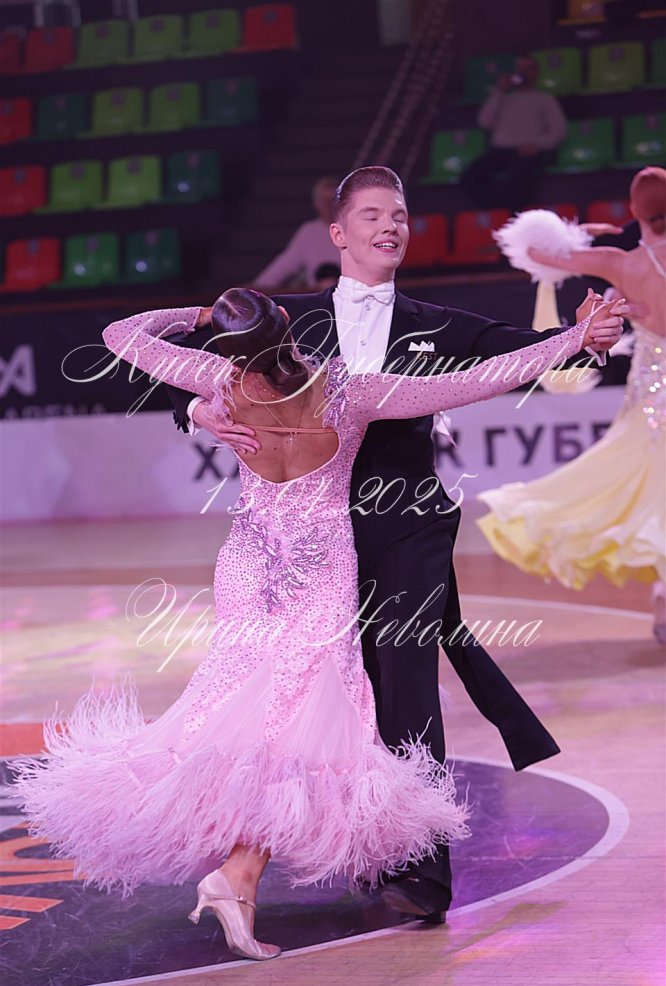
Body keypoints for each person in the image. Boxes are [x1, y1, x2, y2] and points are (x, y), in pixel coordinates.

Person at [10, 287, 621, 962]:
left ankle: (240, 874)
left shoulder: (218, 381)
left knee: (246, 709)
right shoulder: (348, 393)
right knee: (299, 718)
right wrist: (572, 339)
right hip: (321, 570)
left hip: (250, 564)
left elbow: (121, 334)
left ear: (230, 349)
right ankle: (238, 873)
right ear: (289, 330)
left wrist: (196, 317)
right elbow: (479, 379)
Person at [164, 166, 623, 924]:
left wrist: (588, 338)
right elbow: (190, 374)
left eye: (400, 215)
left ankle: (420, 873)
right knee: (323, 696)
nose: (391, 226)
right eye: (373, 214)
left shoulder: (439, 324)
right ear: (338, 232)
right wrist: (198, 413)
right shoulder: (287, 323)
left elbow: (523, 353)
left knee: (404, 683)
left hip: (407, 525)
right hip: (311, 541)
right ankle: (345, 850)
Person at [478, 167, 666, 643]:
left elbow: (538, 252)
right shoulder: (623, 261)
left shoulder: (622, 263)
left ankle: (664, 592)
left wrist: (579, 235)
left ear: (634, 211)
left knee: (647, 488)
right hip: (652, 398)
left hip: (652, 401)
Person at [460, 56, 567, 212]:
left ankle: (514, 214)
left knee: (519, 178)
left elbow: (559, 130)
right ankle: (498, 211)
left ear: (536, 73)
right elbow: (484, 122)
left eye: (528, 68)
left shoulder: (544, 99)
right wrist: (500, 92)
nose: (523, 72)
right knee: (471, 177)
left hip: (528, 150)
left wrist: (538, 145)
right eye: (520, 68)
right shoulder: (503, 98)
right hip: (499, 151)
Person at [252, 176, 340, 290]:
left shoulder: (353, 229)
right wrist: (256, 288)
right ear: (316, 203)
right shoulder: (309, 232)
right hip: (319, 296)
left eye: (332, 200)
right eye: (323, 200)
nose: (328, 205)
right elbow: (284, 264)